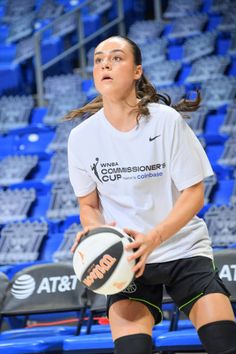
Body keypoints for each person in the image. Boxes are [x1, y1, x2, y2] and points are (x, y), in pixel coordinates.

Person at [66, 35, 236, 354]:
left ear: (136, 71)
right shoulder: (81, 138)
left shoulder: (165, 121)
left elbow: (194, 195)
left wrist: (155, 238)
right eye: (99, 59)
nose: (105, 63)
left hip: (183, 246)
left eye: (116, 58)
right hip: (127, 258)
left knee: (225, 344)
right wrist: (95, 233)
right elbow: (88, 205)